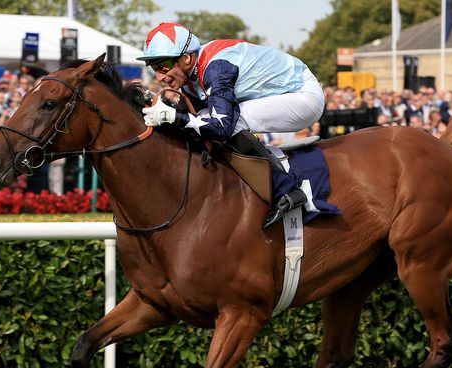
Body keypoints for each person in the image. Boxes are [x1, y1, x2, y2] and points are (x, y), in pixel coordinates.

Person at [137, 22, 325, 228]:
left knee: (233, 122)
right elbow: (192, 116)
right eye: (154, 67)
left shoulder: (216, 69)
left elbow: (221, 127)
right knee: (201, 116)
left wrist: (175, 117)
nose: (160, 76)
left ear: (186, 58)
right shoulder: (192, 74)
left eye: (163, 65)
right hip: (285, 93)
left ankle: (286, 189)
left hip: (303, 95)